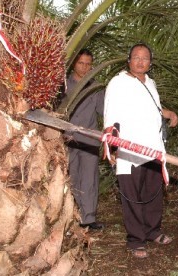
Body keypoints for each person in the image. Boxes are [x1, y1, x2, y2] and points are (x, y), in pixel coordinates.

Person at [103, 43, 178, 258]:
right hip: (129, 150)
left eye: (144, 58)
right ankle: (136, 239)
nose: (140, 61)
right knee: (132, 196)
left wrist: (169, 113)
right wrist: (113, 148)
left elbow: (150, 109)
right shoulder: (118, 83)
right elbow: (110, 116)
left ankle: (152, 230)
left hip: (153, 148)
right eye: (136, 57)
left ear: (150, 63)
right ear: (129, 60)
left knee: (152, 193)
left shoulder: (150, 83)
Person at [65, 49, 105, 230]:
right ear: (74, 63)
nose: (85, 67)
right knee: (71, 177)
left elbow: (103, 111)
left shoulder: (94, 87)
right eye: (81, 63)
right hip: (67, 138)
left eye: (88, 64)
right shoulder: (63, 85)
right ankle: (71, 216)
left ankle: (88, 218)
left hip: (90, 139)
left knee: (89, 179)